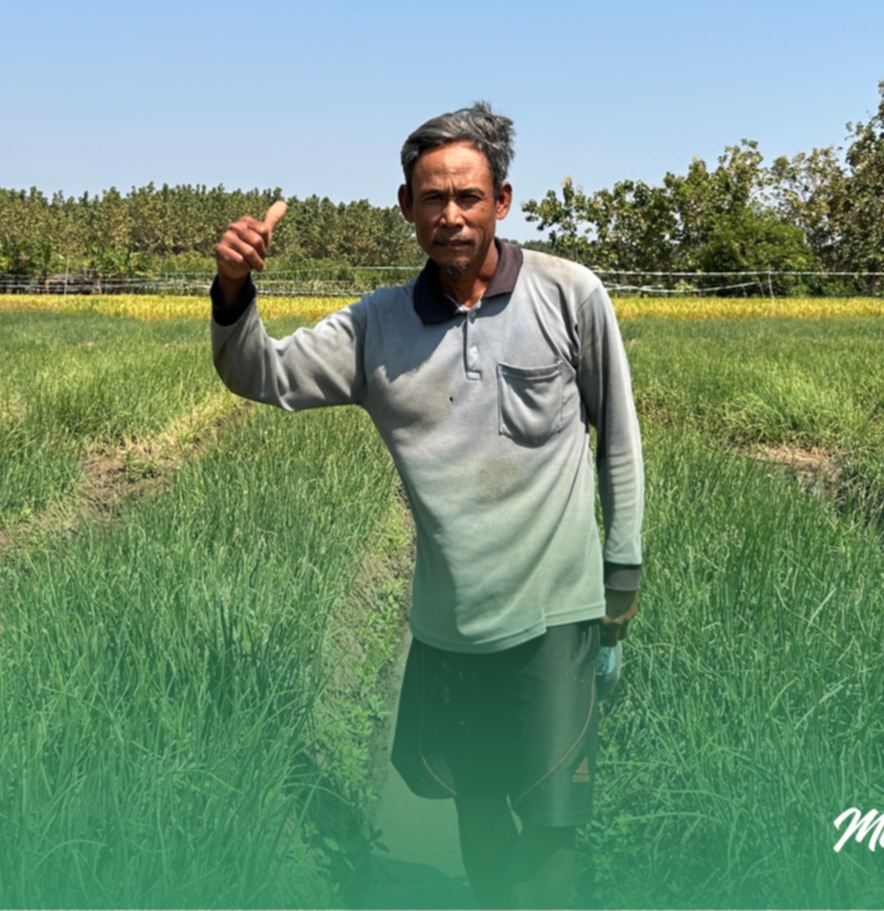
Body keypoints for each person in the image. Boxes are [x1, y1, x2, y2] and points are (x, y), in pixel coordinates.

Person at [210, 102, 642, 909]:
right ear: (405, 207)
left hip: (557, 613)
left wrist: (623, 574)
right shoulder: (376, 325)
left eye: (468, 197)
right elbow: (260, 375)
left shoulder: (570, 294)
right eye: (432, 198)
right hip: (449, 621)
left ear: (502, 201)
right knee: (475, 805)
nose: (451, 215)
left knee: (551, 828)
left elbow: (617, 434)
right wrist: (234, 286)